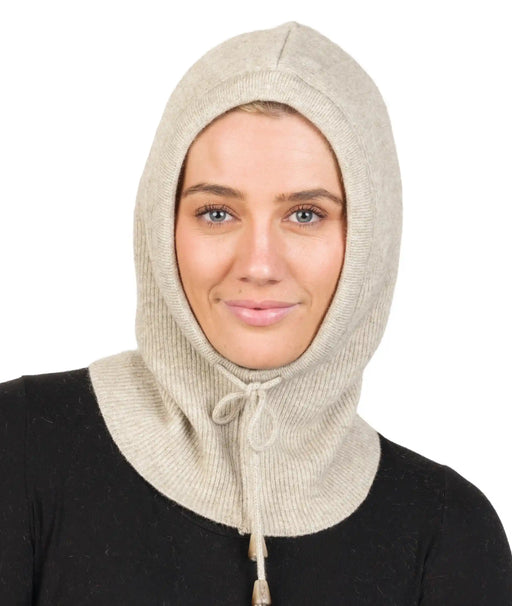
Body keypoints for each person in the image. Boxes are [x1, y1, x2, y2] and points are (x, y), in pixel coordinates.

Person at [0, 20, 511, 606]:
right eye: (217, 213)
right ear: (161, 225)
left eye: (306, 214)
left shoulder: (448, 532)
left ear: (371, 238)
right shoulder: (19, 446)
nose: (259, 264)